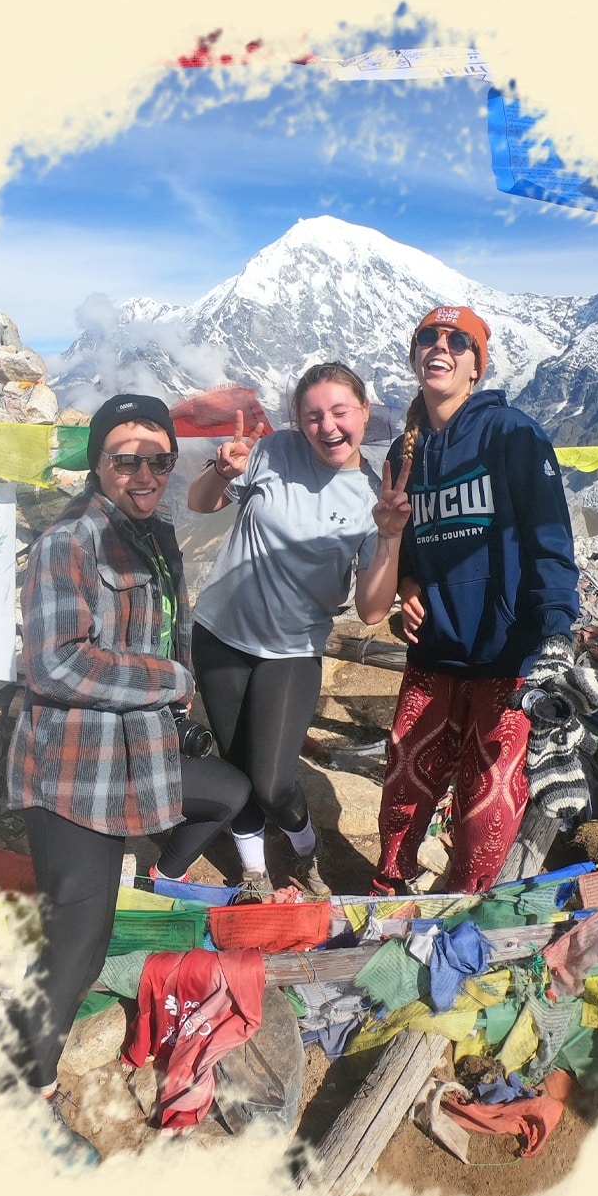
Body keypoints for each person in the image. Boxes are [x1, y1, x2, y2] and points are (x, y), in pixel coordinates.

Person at [4, 393, 251, 1160]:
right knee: (80, 943)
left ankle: (152, 877)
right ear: (98, 463)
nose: (144, 473)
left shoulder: (154, 534)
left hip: (135, 752)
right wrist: (167, 681)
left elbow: (165, 629)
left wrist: (172, 698)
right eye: (125, 459)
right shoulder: (69, 542)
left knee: (228, 792)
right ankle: (25, 1093)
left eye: (158, 459)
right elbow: (54, 663)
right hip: (74, 767)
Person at [373, 306, 581, 896]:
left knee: (484, 817)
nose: (440, 346)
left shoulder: (512, 433)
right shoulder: (403, 456)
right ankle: (385, 902)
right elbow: (406, 547)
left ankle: (463, 920)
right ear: (414, 355)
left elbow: (549, 539)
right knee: (402, 797)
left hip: (507, 658)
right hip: (433, 655)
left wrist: (556, 633)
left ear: (475, 366)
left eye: (457, 340)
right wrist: (407, 585)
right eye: (428, 337)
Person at [187, 362, 411, 899]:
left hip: (291, 649)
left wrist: (389, 537)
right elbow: (201, 503)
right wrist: (222, 471)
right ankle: (254, 871)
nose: (327, 427)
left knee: (272, 782)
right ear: (298, 420)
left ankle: (306, 846)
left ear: (364, 413)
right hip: (219, 634)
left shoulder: (373, 493)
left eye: (340, 412)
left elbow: (373, 610)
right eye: (313, 416)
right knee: (236, 772)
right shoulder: (273, 450)